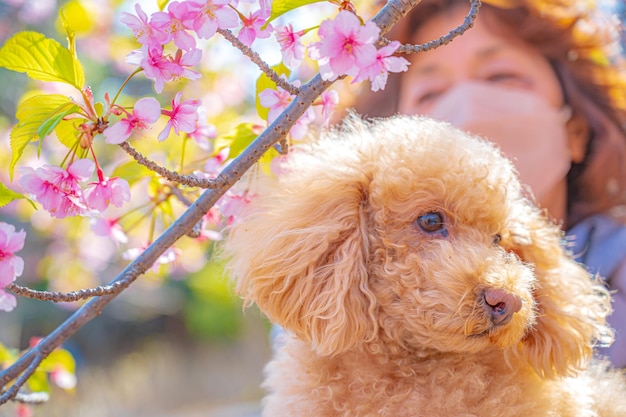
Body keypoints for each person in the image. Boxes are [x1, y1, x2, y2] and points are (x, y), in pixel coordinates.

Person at [354, 0, 626, 367]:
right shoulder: (340, 300)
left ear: (575, 130)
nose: (466, 106)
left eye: (500, 76)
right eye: (431, 93)